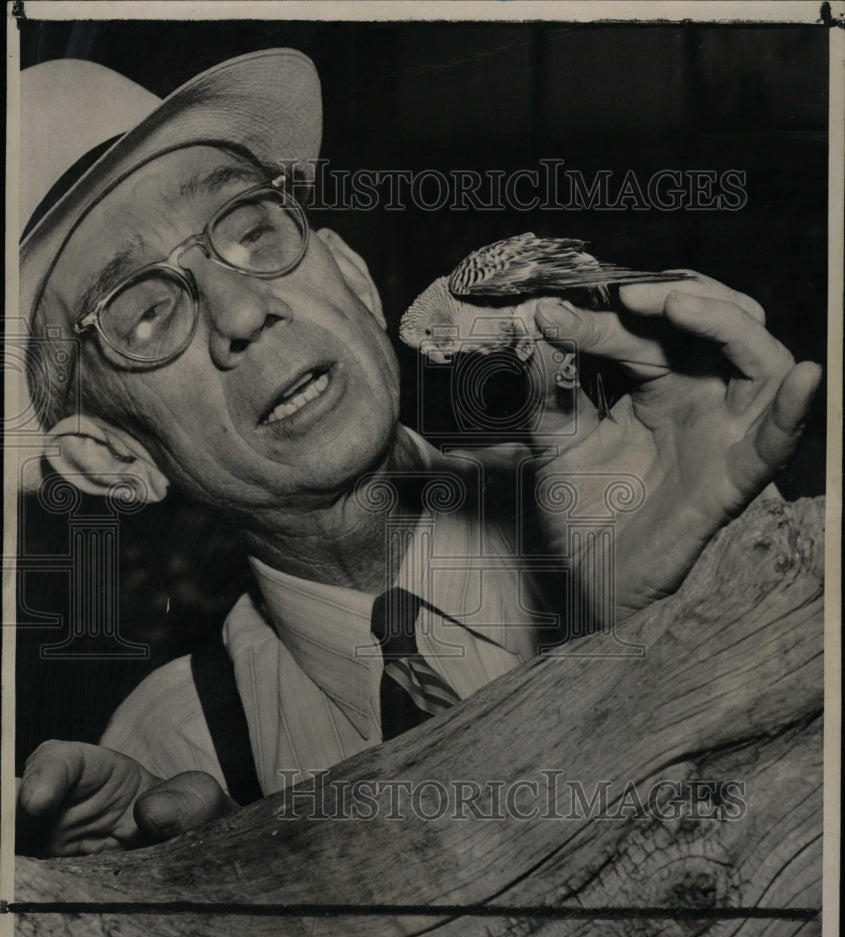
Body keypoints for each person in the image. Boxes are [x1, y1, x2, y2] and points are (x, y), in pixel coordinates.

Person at [15, 50, 821, 856]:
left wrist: (686, 610)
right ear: (108, 460)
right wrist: (227, 889)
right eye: (145, 313)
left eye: (252, 230)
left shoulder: (638, 504)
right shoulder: (172, 751)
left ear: (355, 284)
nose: (241, 310)